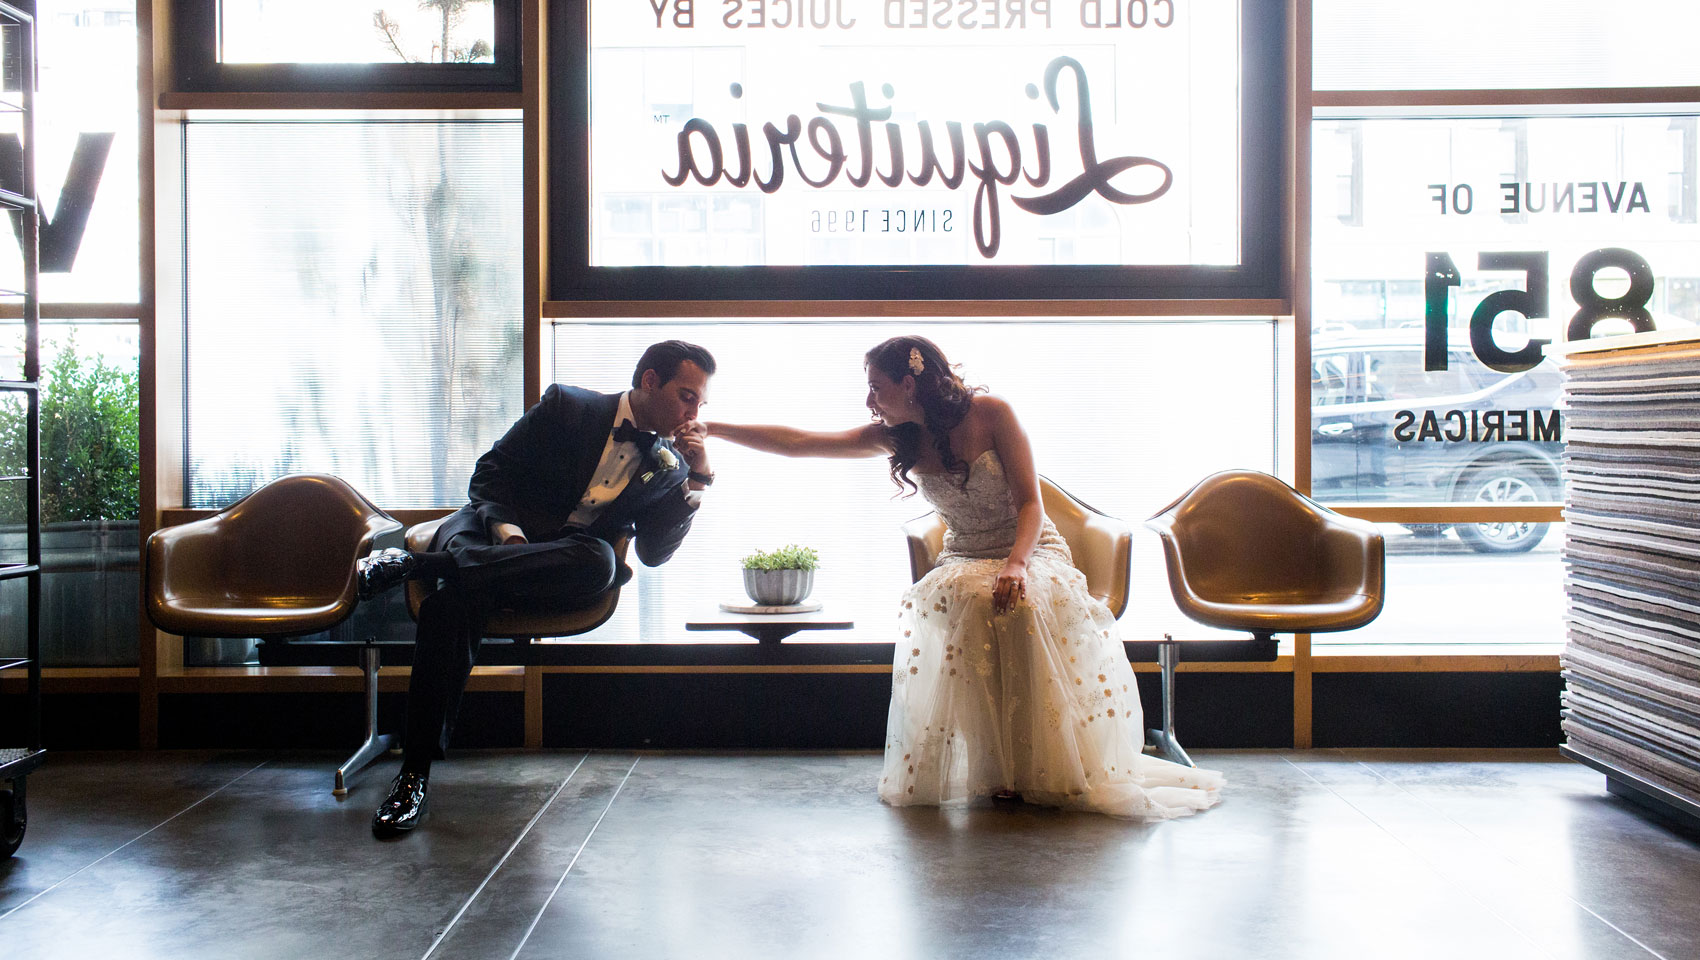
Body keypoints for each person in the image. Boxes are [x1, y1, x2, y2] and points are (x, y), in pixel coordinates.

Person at [706, 336, 1222, 819]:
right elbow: (799, 443)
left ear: (909, 384)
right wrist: (713, 430)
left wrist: (1018, 564)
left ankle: (1048, 763)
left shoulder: (992, 413)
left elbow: (1031, 505)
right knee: (975, 600)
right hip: (964, 555)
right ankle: (995, 767)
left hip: (1030, 548)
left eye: (876, 388)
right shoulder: (895, 437)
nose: (869, 400)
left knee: (1018, 601)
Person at [355, 340, 718, 837]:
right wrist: (509, 537)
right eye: (687, 396)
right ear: (650, 381)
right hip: (489, 539)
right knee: (449, 606)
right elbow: (489, 475)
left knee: (598, 561)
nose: (694, 412)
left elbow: (654, 553)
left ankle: (415, 565)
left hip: (556, 572)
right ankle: (413, 776)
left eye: (700, 403)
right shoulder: (568, 407)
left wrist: (697, 481)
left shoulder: (668, 466)